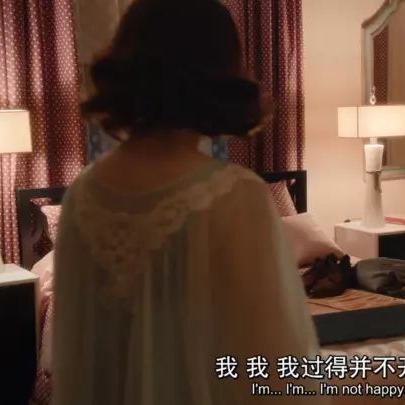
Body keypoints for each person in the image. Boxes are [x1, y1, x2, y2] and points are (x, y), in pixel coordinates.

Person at [52, 1, 325, 404]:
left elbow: (74, 353)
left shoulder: (82, 193)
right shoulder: (234, 194)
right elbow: (271, 356)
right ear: (223, 74)